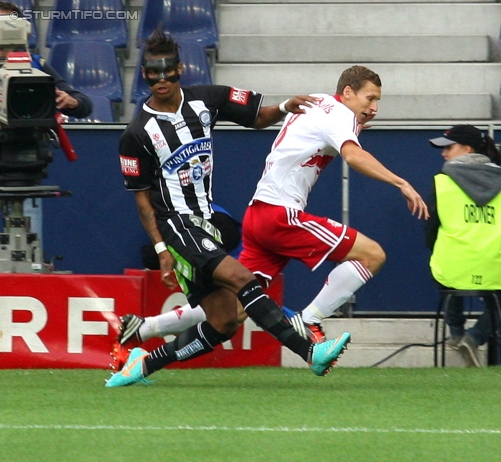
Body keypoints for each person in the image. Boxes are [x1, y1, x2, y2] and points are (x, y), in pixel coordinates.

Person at [115, 64, 428, 352]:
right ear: (348, 92)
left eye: (377, 102)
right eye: (369, 99)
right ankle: (308, 322)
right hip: (281, 215)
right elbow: (354, 156)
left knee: (234, 306)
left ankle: (144, 328)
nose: (373, 108)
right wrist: (400, 182)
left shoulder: (319, 103)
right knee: (372, 255)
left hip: (259, 214)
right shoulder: (340, 115)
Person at [106, 29, 350, 387]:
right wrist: (161, 248)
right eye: (152, 72)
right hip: (177, 226)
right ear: (143, 73)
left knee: (224, 322)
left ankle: (143, 364)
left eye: (167, 70)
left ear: (179, 69)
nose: (160, 79)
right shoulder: (137, 133)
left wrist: (284, 108)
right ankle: (309, 352)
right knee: (242, 279)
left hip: (205, 225)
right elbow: (142, 199)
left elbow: (257, 117)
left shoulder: (206, 100)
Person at [424, 125, 501, 367]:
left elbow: (430, 230)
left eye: (448, 148)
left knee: (449, 279)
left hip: (452, 266)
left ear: (466, 149)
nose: (443, 153)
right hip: (494, 264)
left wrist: (438, 250)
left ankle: (456, 334)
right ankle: (473, 338)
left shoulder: (442, 182)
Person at [0, 2, 93, 243]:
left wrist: (69, 101)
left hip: (26, 165)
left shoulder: (36, 66)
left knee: (25, 242)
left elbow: (84, 104)